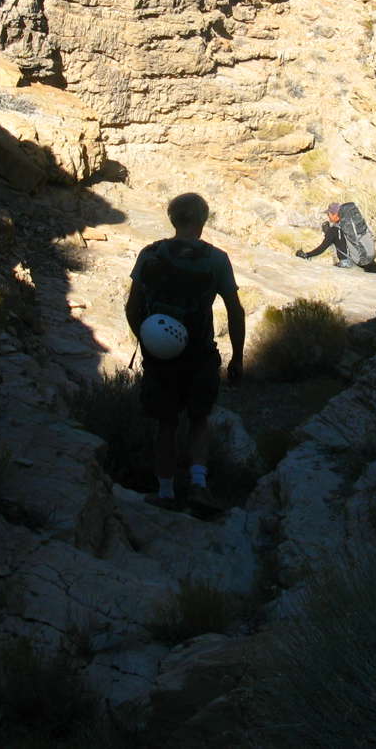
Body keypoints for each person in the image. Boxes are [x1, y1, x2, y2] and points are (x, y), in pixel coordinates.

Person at [126, 192, 245, 516]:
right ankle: (198, 486)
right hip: (200, 353)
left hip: (160, 357)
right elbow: (235, 310)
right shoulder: (216, 259)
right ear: (203, 221)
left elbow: (132, 306)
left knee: (165, 423)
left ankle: (165, 492)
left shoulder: (150, 254)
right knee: (199, 419)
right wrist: (237, 357)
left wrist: (147, 340)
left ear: (172, 219)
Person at [295, 200, 376, 271]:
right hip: (366, 260)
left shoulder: (334, 230)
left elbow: (322, 248)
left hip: (348, 263)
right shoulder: (350, 225)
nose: (328, 217)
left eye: (328, 214)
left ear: (335, 215)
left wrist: (307, 255)